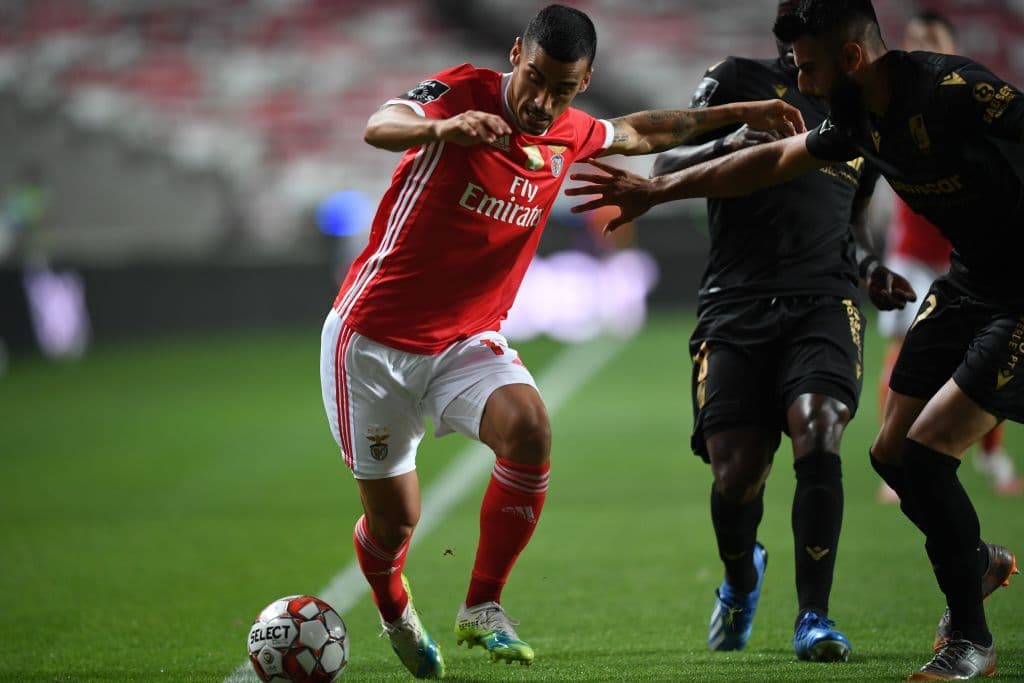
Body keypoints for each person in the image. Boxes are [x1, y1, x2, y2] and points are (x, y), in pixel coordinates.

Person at [317, 4, 804, 679]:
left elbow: (643, 130)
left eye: (564, 90)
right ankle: (393, 603)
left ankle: (482, 605)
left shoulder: (569, 129)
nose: (544, 103)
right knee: (396, 524)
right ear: (516, 53)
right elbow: (380, 125)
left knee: (531, 429)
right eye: (537, 80)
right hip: (373, 344)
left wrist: (740, 113)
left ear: (585, 81)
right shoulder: (460, 93)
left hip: (464, 340)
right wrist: (449, 129)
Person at [566, 0, 1021, 678]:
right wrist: (657, 194)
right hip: (964, 284)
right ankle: (974, 561)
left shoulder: (956, 91)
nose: (798, 81)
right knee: (892, 455)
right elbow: (769, 163)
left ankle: (971, 639)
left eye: (807, 66)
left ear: (852, 58)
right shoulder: (855, 118)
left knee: (920, 457)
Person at [648, 0, 913, 662]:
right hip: (734, 301)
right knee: (737, 475)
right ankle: (742, 578)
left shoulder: (862, 114)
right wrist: (725, 142)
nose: (803, 60)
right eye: (795, 48)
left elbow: (854, 223)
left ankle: (814, 616)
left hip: (824, 297)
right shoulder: (735, 81)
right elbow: (662, 170)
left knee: (819, 427)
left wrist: (873, 268)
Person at [875, 10, 1023, 502]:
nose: (922, 50)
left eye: (932, 41)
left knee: (986, 356)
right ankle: (891, 461)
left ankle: (990, 453)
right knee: (902, 355)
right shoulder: (894, 103)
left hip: (976, 257)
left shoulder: (971, 99)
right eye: (915, 41)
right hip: (912, 254)